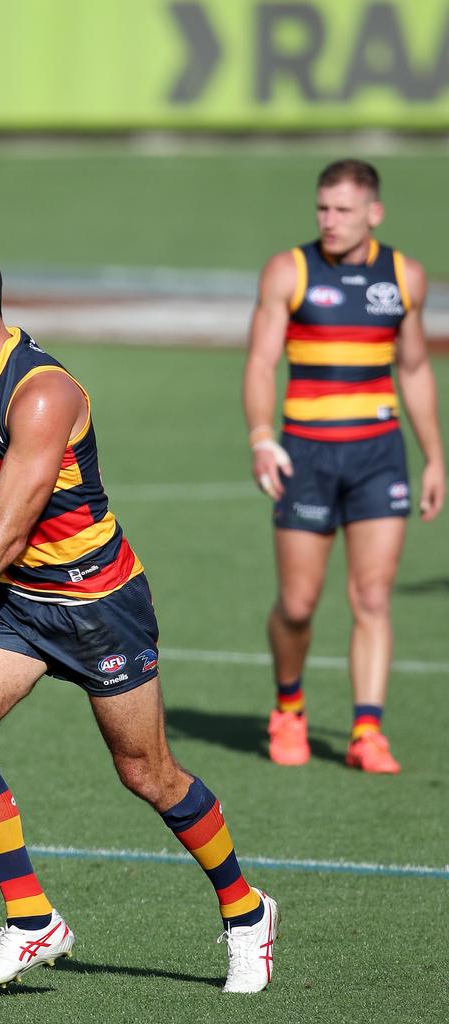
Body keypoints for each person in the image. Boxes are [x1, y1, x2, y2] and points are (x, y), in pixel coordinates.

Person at [0, 244, 279, 994]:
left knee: (146, 774)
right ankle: (32, 922)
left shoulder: (44, 393)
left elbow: (11, 527)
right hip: (22, 603)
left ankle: (247, 914)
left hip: (99, 605)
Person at [243, 159, 445, 774]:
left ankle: (367, 731)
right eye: (322, 208)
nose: (329, 221)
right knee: (299, 605)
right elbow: (260, 362)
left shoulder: (405, 277)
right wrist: (261, 436)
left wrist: (434, 455)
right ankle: (289, 706)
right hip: (305, 455)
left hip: (379, 456)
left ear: (373, 214)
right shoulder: (289, 271)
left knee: (373, 597)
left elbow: (411, 368)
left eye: (343, 210)